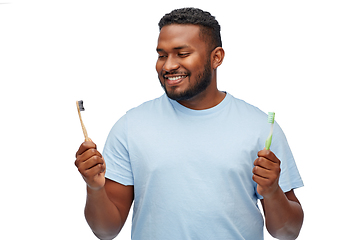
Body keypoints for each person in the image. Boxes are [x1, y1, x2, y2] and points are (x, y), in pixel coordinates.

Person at [75, 7, 304, 240]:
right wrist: (94, 188)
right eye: (162, 55)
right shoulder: (130, 127)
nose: (168, 66)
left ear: (216, 58)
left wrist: (273, 192)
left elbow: (288, 232)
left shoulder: (260, 128)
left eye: (182, 54)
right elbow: (106, 230)